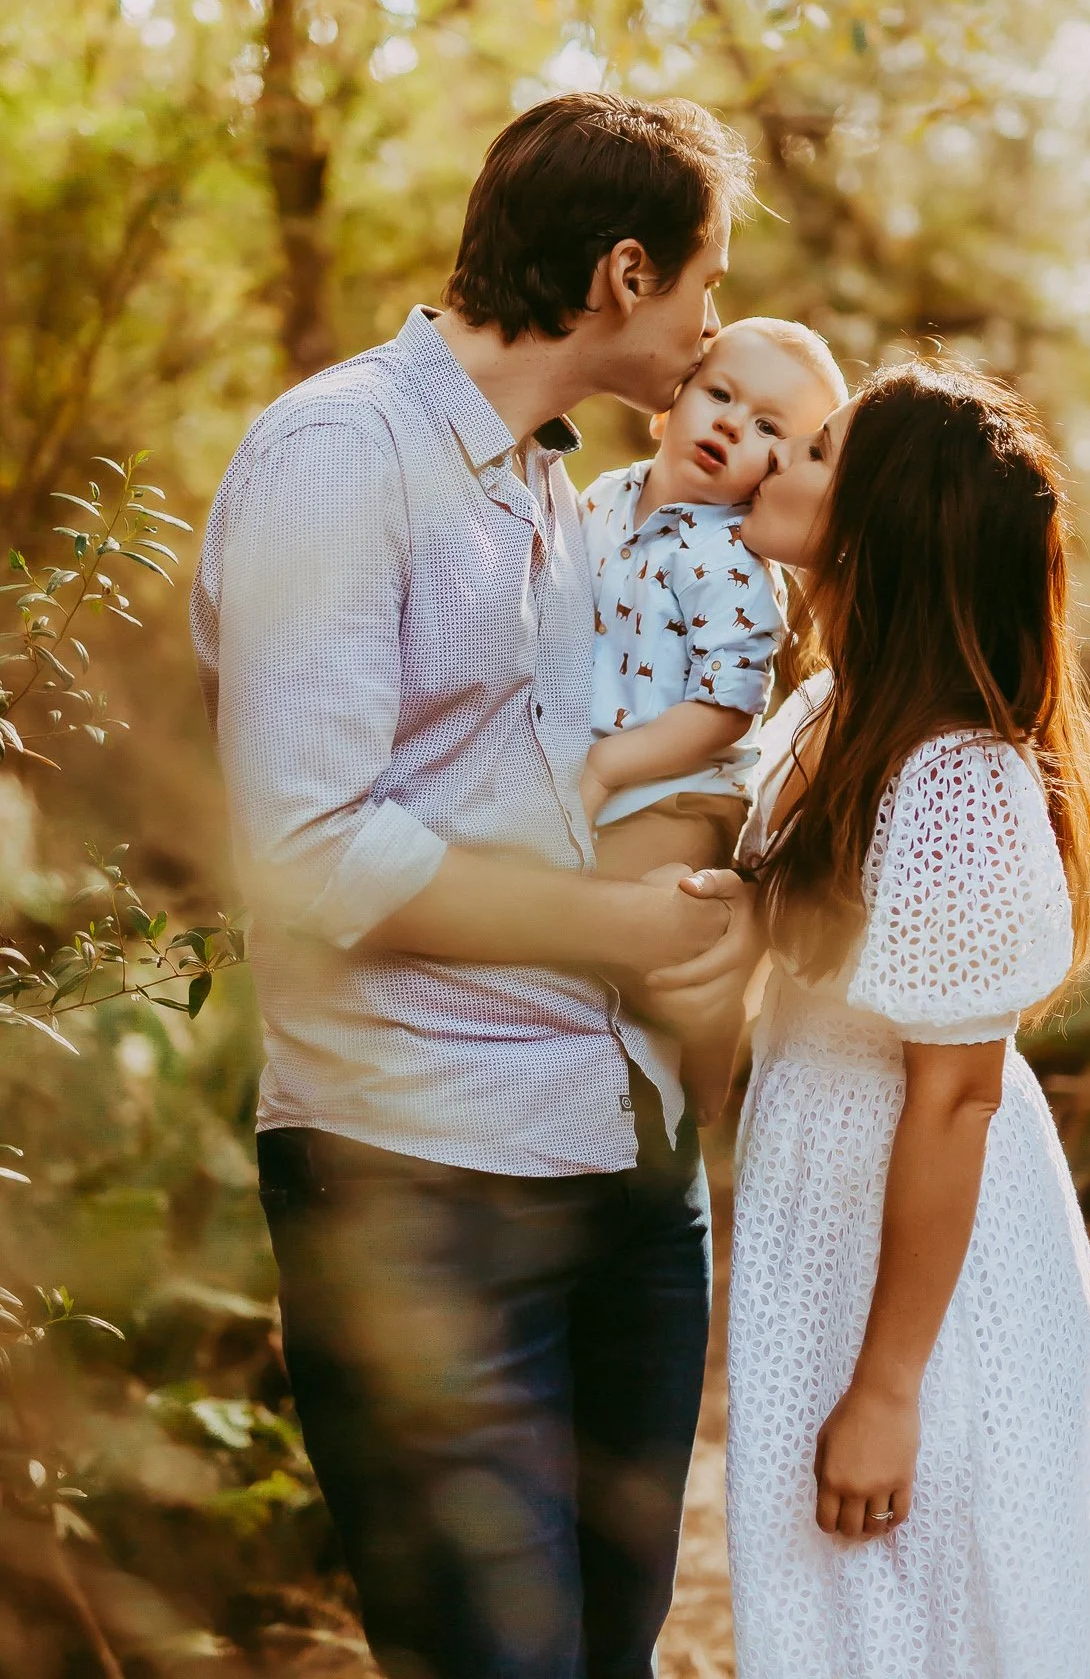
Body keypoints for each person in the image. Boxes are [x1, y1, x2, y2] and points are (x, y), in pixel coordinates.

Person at [190, 92, 761, 1679]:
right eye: (707, 285)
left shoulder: (564, 504)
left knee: (606, 1659)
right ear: (625, 272)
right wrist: (615, 927)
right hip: (420, 1176)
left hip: (630, 1170)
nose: (712, 326)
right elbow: (306, 851)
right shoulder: (336, 455)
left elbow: (593, 785)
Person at [677, 362, 1090, 1677]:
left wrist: (889, 1388)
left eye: (820, 452)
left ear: (882, 523)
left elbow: (956, 1092)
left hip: (924, 1265)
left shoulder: (954, 778)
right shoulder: (832, 715)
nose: (777, 458)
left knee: (935, 1598)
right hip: (830, 1210)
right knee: (853, 1608)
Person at [578, 317, 846, 1117]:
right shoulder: (600, 497)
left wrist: (608, 767)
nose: (731, 423)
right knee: (558, 921)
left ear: (772, 475)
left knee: (664, 912)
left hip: (678, 790)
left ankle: (699, 1082)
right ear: (669, 405)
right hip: (590, 771)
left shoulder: (729, 561)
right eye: (719, 395)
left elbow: (728, 707)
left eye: (769, 428)